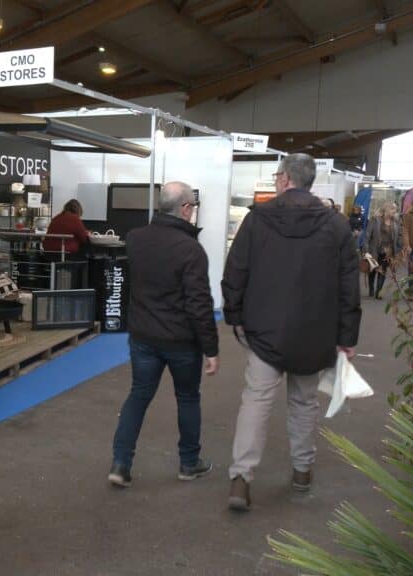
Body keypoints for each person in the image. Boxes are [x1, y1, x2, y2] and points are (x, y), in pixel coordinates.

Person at [221, 153, 361, 511]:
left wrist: (234, 316)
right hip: (315, 335)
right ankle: (302, 472)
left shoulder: (257, 220)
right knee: (303, 402)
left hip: (264, 332)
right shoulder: (337, 226)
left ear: (284, 179)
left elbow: (235, 271)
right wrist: (347, 338)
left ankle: (241, 479)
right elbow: (349, 287)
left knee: (256, 401)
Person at [108, 181, 220, 488]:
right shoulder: (191, 250)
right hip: (181, 341)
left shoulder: (135, 239)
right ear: (185, 209)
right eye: (193, 208)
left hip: (143, 336)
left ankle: (120, 463)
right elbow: (199, 304)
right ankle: (188, 463)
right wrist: (211, 349)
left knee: (138, 395)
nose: (193, 213)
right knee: (187, 398)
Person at [365, 203, 402, 299]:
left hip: (388, 251)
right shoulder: (375, 220)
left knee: (383, 270)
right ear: (387, 210)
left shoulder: (396, 222)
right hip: (375, 249)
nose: (395, 212)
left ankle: (378, 292)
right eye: (393, 209)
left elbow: (399, 235)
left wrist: (399, 245)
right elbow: (367, 235)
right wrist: (366, 250)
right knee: (373, 269)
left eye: (395, 209)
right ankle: (371, 288)